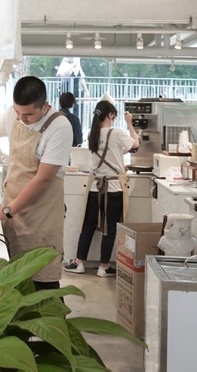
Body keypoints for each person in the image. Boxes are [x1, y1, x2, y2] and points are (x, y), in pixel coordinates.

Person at [0, 76, 73, 290]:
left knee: (41, 280)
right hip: (12, 210)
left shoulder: (59, 126)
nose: (22, 119)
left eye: (29, 114)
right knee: (14, 280)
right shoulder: (15, 114)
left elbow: (43, 178)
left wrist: (8, 210)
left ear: (45, 106)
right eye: (18, 112)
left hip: (41, 216)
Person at [64, 99, 139, 277]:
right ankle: (103, 267)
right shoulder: (118, 132)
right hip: (113, 188)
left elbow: (110, 152)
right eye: (114, 116)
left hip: (95, 188)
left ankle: (79, 262)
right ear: (111, 114)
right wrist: (130, 124)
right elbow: (135, 144)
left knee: (88, 225)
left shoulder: (92, 134)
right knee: (110, 227)